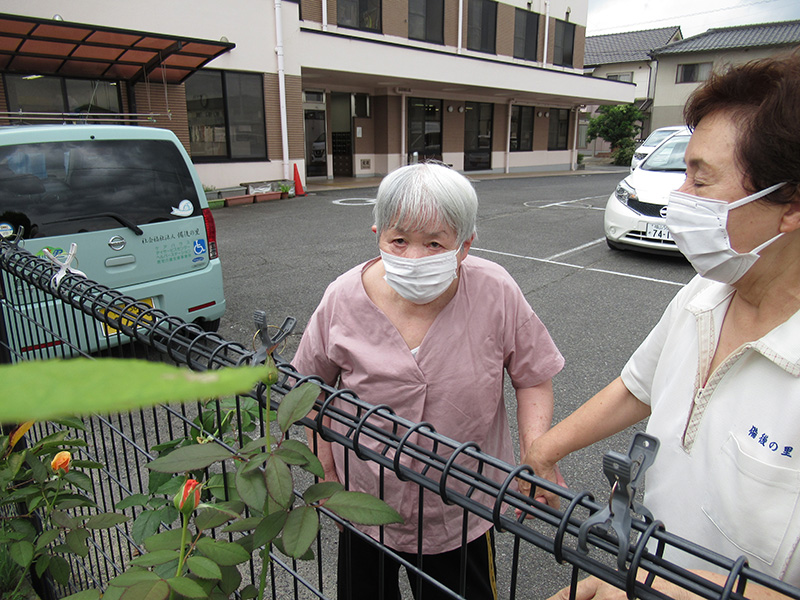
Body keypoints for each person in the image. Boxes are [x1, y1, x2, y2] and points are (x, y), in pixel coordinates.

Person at [523, 51, 800, 600]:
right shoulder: (706, 293)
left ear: (790, 204)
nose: (678, 199)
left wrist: (643, 588)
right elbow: (639, 385)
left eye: (701, 182)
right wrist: (545, 449)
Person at [292, 161, 564, 599]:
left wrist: (536, 453)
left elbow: (532, 375)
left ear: (465, 244)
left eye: (435, 242)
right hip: (364, 498)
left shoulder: (495, 291)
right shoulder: (342, 296)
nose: (413, 258)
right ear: (377, 233)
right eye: (398, 240)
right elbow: (308, 389)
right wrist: (324, 466)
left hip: (460, 504)